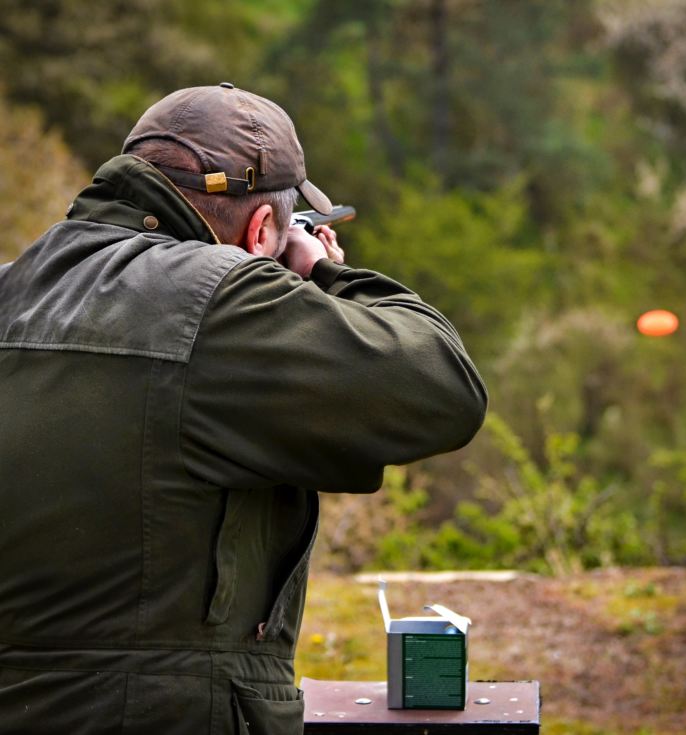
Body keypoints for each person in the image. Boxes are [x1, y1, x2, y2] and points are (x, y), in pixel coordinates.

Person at [0, 84, 487, 735]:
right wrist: (320, 274)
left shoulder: (14, 285)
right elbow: (442, 387)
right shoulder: (217, 302)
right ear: (262, 229)